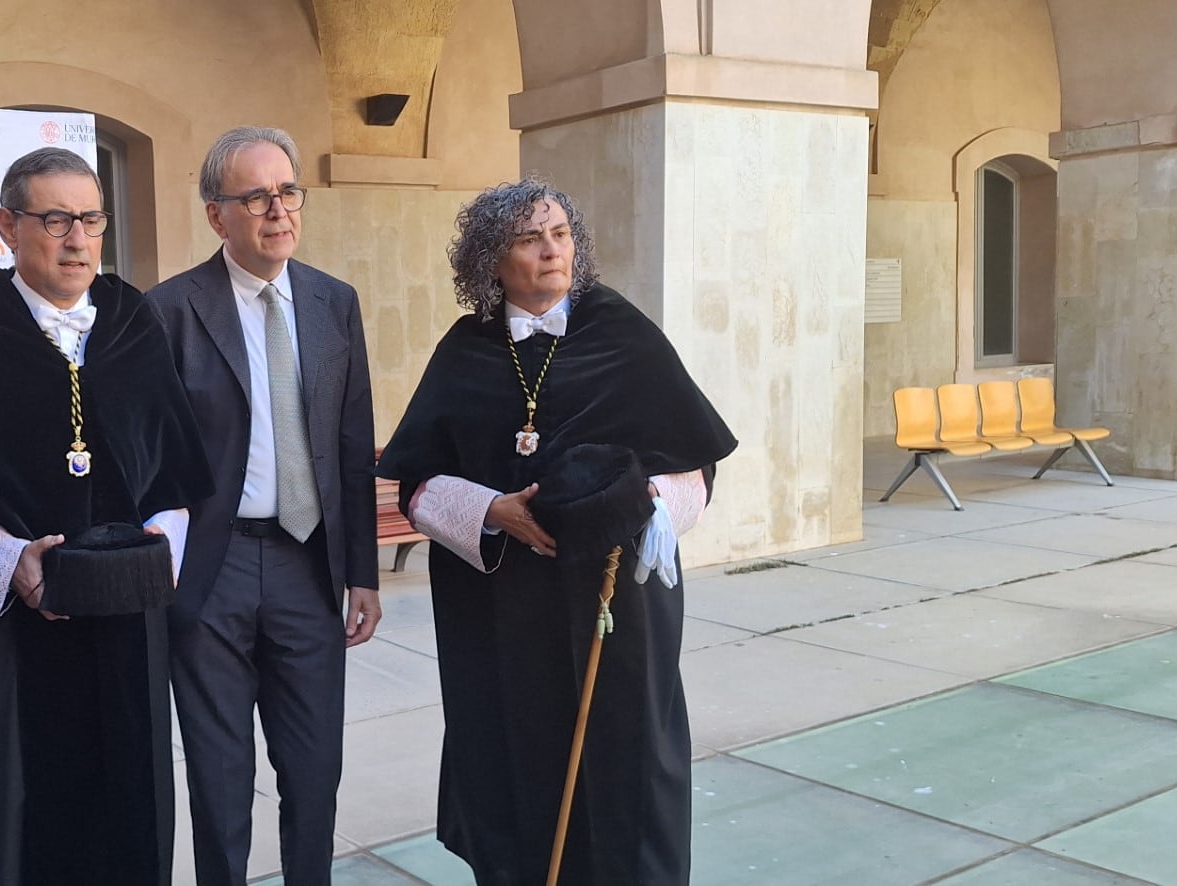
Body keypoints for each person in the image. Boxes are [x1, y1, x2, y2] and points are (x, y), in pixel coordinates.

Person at [374, 178, 737, 885]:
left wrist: (647, 509)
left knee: (626, 764)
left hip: (614, 612)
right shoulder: (465, 351)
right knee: (517, 757)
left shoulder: (623, 334)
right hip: (503, 614)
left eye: (562, 234)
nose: (551, 251)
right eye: (529, 238)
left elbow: (695, 467)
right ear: (490, 259)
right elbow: (416, 486)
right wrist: (490, 509)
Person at [0, 147, 213, 886]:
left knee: (130, 804)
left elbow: (174, 470)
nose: (78, 239)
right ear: (8, 226)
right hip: (9, 634)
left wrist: (155, 550)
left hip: (126, 621)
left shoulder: (132, 319)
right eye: (55, 220)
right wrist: (13, 563)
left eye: (92, 219)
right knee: (14, 824)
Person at [145, 126, 380, 886]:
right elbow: (148, 462)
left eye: (287, 192)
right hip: (209, 575)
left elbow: (353, 440)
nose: (278, 211)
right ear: (217, 215)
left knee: (314, 773)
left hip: (306, 567)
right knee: (219, 781)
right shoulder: (168, 312)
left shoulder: (332, 303)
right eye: (256, 197)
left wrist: (363, 574)